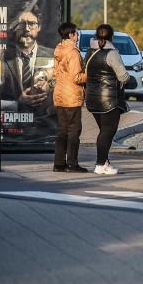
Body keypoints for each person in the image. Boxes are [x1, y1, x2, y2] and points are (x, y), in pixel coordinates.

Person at [83, 24, 130, 175]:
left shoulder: (90, 52)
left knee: (103, 131)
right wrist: (126, 78)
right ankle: (100, 164)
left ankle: (105, 162)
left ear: (96, 36)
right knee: (107, 132)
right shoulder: (112, 54)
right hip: (110, 100)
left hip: (92, 98)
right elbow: (123, 76)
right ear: (112, 37)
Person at [1, 5, 55, 110]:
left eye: (32, 24)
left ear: (39, 27)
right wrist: (17, 103)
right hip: (8, 120)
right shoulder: (0, 57)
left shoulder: (53, 56)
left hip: (44, 121)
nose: (26, 28)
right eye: (21, 24)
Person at [52, 22, 88, 173]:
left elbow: (55, 73)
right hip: (72, 96)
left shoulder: (59, 50)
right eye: (76, 34)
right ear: (71, 35)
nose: (77, 36)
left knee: (62, 131)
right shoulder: (73, 52)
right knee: (74, 131)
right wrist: (90, 74)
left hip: (59, 94)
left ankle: (58, 164)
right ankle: (72, 164)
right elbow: (77, 77)